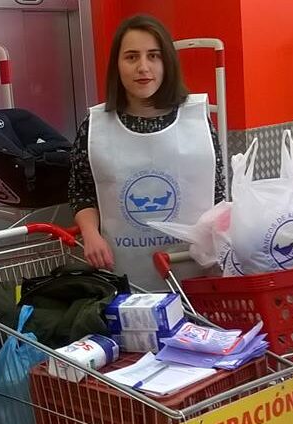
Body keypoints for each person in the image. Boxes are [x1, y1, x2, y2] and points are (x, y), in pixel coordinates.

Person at [69, 14, 226, 290]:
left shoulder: (197, 119)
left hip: (197, 272)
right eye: (131, 57)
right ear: (117, 66)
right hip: (123, 273)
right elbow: (81, 191)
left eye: (153, 56)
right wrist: (91, 235)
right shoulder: (94, 127)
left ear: (167, 62)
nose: (143, 67)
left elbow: (218, 193)